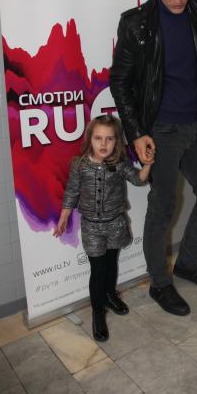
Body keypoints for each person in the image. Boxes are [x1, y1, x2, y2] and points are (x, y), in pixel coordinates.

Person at [109, 0, 197, 317]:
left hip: (194, 123)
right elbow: (119, 80)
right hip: (160, 129)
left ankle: (187, 263)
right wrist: (137, 132)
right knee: (162, 208)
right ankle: (160, 283)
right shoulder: (136, 23)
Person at [54, 115, 151, 342]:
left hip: (116, 224)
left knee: (111, 264)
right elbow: (71, 191)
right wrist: (64, 216)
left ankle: (109, 295)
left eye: (109, 139)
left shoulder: (120, 164)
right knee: (98, 270)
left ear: (117, 141)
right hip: (92, 228)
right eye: (98, 138)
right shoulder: (79, 165)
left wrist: (147, 164)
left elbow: (139, 180)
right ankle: (98, 313)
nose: (104, 144)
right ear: (90, 139)